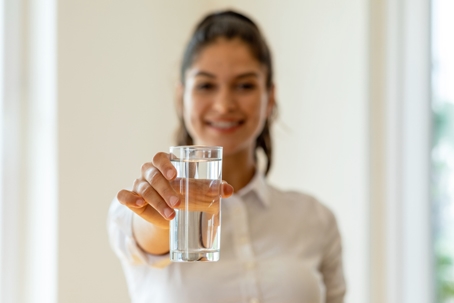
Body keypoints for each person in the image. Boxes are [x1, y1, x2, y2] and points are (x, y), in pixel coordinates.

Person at [108, 10, 346, 303]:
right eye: (206, 85)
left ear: (270, 98)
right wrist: (165, 214)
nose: (223, 105)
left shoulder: (315, 219)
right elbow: (150, 234)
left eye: (245, 85)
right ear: (181, 98)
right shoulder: (140, 204)